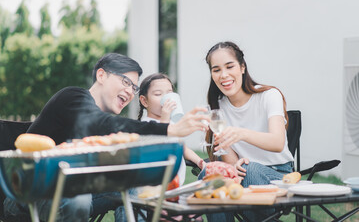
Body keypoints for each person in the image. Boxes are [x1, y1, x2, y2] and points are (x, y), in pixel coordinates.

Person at [4, 53, 209, 222]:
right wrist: (168, 130)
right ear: (101, 75)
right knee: (77, 196)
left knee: (133, 188)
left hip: (78, 189)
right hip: (26, 192)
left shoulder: (102, 119)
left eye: (134, 88)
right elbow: (102, 124)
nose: (130, 92)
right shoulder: (72, 97)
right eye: (125, 81)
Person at [203, 41, 294, 221]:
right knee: (212, 174)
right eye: (216, 70)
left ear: (242, 67)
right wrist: (233, 167)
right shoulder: (216, 108)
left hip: (279, 176)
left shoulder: (269, 95)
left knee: (249, 168)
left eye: (230, 66)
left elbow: (277, 142)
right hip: (243, 175)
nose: (224, 75)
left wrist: (241, 133)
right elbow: (230, 162)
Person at [138, 73, 206, 187]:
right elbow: (161, 149)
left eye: (169, 93)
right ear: (144, 101)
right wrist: (165, 119)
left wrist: (200, 162)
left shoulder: (173, 123)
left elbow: (182, 147)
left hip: (175, 185)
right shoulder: (145, 126)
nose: (166, 98)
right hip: (156, 186)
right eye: (158, 94)